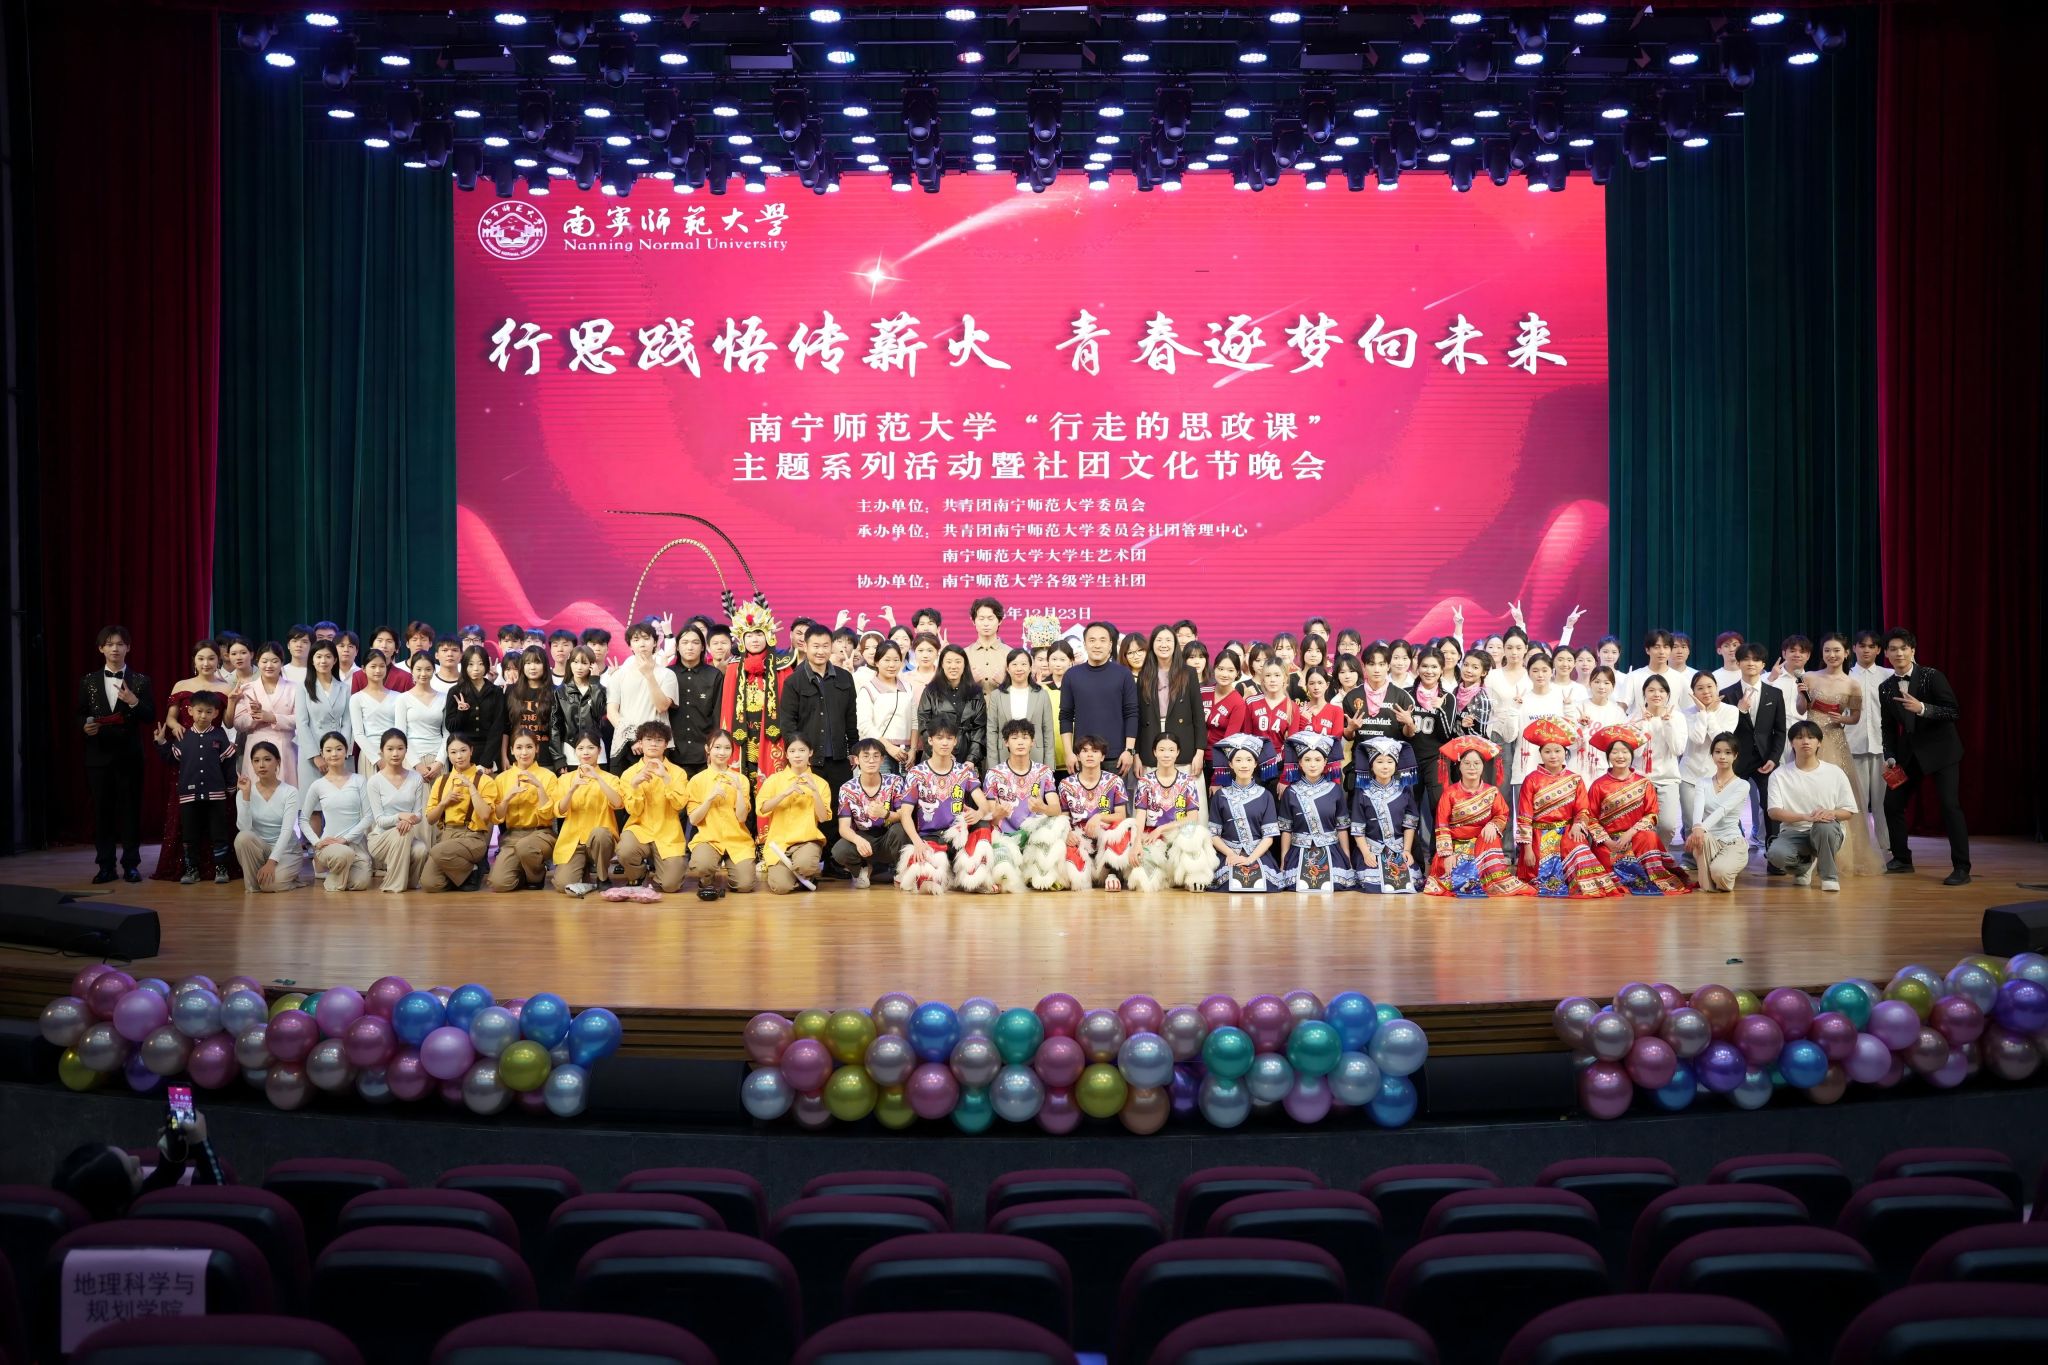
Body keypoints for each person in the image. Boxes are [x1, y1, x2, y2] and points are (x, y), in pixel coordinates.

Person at [1879, 628, 1970, 885]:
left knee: (1949, 806)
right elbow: (1887, 727)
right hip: (1909, 755)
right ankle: (1902, 859)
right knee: (1891, 804)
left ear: (1912, 650)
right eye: (1893, 649)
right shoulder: (1885, 687)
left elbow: (1953, 711)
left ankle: (1962, 868)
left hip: (1942, 751)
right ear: (1886, 653)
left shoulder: (1932, 676)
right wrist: (1890, 755)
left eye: (1903, 648)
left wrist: (1922, 708)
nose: (1898, 653)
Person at [1799, 633, 1882, 876]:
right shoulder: (1810, 677)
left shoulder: (1852, 684)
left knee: (1839, 794)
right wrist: (1802, 694)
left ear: (1846, 653)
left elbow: (1855, 717)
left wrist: (1842, 719)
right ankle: (1805, 853)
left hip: (1835, 741)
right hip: (1810, 740)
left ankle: (1840, 854)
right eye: (1827, 650)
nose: (1831, 655)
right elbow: (1801, 710)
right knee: (1808, 790)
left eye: (1836, 650)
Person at [1514, 717, 1620, 898]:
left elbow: (1583, 810)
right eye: (1547, 751)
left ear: (1565, 752)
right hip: (1539, 836)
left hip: (1568, 833)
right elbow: (1524, 816)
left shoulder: (1575, 779)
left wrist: (1578, 824)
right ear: (1541, 754)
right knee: (1537, 877)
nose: (1553, 756)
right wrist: (1528, 849)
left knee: (1578, 846)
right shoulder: (1531, 780)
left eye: (1557, 751)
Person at [149, 640, 228, 882]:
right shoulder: (181, 685)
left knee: (216, 817)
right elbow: (170, 718)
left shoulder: (227, 687)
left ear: (218, 661)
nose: (206, 663)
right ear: (194, 660)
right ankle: (189, 867)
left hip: (213, 753)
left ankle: (219, 867)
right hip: (187, 750)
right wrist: (175, 728)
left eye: (211, 658)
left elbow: (229, 722)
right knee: (186, 814)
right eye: (201, 658)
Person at [53, 1110, 223, 1221]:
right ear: (119, 1200)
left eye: (127, 1155)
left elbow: (162, 1180)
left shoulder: (110, 1208)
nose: (137, 1159)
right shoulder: (141, 1217)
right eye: (133, 1170)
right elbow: (221, 1202)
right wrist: (203, 1145)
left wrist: (172, 1151)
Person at [1586, 725, 1694, 895]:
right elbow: (1591, 818)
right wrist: (1608, 842)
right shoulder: (1598, 785)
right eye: (1615, 752)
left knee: (1650, 837)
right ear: (1608, 756)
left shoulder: (1644, 783)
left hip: (1636, 837)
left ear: (1631, 755)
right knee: (1604, 866)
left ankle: (1652, 877)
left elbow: (1651, 815)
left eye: (1625, 752)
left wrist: (1630, 833)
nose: (1620, 756)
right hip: (1609, 842)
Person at [1423, 737, 1532, 897]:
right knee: (1444, 883)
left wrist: (1493, 824)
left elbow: (1502, 814)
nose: (1472, 767)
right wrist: (1447, 854)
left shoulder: (1492, 792)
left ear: (1483, 766)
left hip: (1483, 845)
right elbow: (1442, 825)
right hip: (1455, 847)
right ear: (1459, 766)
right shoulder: (1450, 794)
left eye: (1476, 763)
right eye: (1467, 763)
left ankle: (1488, 879)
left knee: (1491, 837)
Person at [153, 690, 238, 884]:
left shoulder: (219, 734)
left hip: (216, 794)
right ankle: (192, 870)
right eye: (199, 711)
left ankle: (221, 868)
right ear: (190, 711)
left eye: (208, 712)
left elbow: (228, 762)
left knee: (219, 833)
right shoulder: (183, 736)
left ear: (216, 713)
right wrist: (161, 742)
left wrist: (231, 786)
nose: (203, 716)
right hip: (188, 795)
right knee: (190, 834)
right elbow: (171, 759)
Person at [1767, 720, 1861, 891]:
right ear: (1791, 743)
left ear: (1819, 742)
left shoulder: (1835, 772)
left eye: (1811, 737)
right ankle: (1804, 866)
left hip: (1827, 831)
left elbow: (1849, 811)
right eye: (1799, 737)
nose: (1805, 741)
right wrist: (1805, 817)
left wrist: (1830, 813)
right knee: (1776, 855)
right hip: (1793, 832)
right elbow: (1774, 812)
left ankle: (1829, 877)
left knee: (1823, 826)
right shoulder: (1779, 775)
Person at [780, 624, 860, 802]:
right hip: (808, 761)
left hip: (840, 759)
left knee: (839, 808)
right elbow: (788, 724)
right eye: (816, 646)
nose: (821, 651)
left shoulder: (845, 677)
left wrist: (854, 749)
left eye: (825, 646)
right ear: (805, 646)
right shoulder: (793, 682)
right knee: (809, 808)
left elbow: (851, 717)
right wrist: (798, 754)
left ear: (831, 647)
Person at [1721, 643, 1786, 859]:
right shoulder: (1726, 694)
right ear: (1738, 663)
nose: (1751, 663)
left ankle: (1774, 854)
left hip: (1766, 759)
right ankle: (1733, 848)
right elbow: (1725, 731)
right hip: (1736, 759)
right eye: (1746, 659)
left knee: (1770, 804)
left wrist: (1774, 758)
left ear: (1763, 664)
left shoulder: (1775, 693)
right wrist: (1739, 711)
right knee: (1729, 806)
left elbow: (1780, 730)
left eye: (1756, 659)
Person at [717, 602, 790, 791]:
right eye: (749, 635)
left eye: (759, 633)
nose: (754, 640)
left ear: (768, 636)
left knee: (771, 786)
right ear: (742, 640)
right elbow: (727, 707)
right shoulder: (733, 667)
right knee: (741, 784)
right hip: (743, 732)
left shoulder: (783, 666)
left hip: (772, 733)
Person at [614, 718, 691, 893]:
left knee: (670, 886)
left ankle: (660, 873)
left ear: (666, 745)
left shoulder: (678, 773)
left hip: (668, 832)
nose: (653, 744)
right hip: (639, 829)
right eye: (648, 739)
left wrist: (666, 778)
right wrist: (634, 785)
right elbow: (633, 810)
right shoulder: (629, 774)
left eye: (659, 740)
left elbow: (679, 805)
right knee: (625, 850)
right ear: (640, 743)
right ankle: (639, 874)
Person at [1277, 732, 1354, 893]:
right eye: (1307, 760)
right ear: (1300, 763)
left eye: (1318, 760)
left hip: (1331, 850)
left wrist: (1347, 857)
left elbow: (1341, 828)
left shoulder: (1335, 790)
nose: (1312, 765)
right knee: (1294, 884)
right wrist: (1284, 859)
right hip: (1299, 851)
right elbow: (1286, 830)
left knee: (1337, 883)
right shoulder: (1291, 792)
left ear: (1325, 762)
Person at [421, 734, 498, 892]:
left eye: (463, 750)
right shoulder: (441, 781)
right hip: (447, 836)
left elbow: (485, 816)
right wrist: (444, 802)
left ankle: (468, 870)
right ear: (448, 755)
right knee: (430, 883)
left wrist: (472, 789)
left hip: (473, 837)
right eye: (453, 752)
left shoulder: (485, 780)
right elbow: (430, 819)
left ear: (471, 751)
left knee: (437, 850)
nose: (459, 756)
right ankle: (468, 873)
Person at [686, 728, 758, 897]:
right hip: (708, 839)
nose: (722, 752)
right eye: (717, 747)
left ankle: (732, 875)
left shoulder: (741, 779)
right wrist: (709, 799)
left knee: (745, 885)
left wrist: (739, 791)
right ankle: (706, 879)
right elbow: (694, 820)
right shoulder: (697, 780)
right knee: (702, 865)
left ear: (732, 751)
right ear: (707, 749)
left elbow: (742, 817)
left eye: (727, 748)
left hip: (737, 839)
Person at [758, 734, 833, 894]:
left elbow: (823, 817)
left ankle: (803, 872)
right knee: (781, 888)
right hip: (779, 844)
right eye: (792, 751)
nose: (797, 755)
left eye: (802, 750)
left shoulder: (821, 783)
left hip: (807, 841)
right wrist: (784, 794)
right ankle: (800, 878)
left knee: (805, 865)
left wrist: (814, 791)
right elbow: (762, 809)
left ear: (810, 752)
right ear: (786, 754)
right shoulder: (774, 780)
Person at [550, 732, 623, 891]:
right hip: (574, 841)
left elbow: (618, 803)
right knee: (563, 885)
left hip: (600, 840)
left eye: (591, 748)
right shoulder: (565, 779)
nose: (586, 752)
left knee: (600, 833)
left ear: (599, 750)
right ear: (575, 752)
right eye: (581, 748)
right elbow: (559, 811)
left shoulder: (610, 778)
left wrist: (598, 778)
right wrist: (571, 790)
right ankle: (583, 870)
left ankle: (602, 877)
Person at [832, 738, 910, 888]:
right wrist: (857, 840)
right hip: (864, 837)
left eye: (876, 756)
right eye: (866, 756)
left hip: (888, 837)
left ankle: (900, 870)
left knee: (901, 829)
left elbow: (904, 815)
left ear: (882, 760)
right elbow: (844, 827)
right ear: (856, 760)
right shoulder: (847, 789)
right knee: (839, 850)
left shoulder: (895, 781)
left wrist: (885, 814)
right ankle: (862, 869)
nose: (871, 760)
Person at [1058, 734, 1133, 890]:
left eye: (1095, 751)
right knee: (1076, 878)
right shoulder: (1066, 784)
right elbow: (1063, 817)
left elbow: (1121, 816)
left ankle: (1112, 873)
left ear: (1102, 756)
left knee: (1121, 828)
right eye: (1085, 751)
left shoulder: (1115, 781)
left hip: (1105, 837)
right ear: (1078, 756)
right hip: (1079, 838)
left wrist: (1099, 817)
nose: (1090, 755)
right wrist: (1066, 833)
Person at [1208, 735, 1282, 892]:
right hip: (1228, 854)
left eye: (1249, 760)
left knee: (1265, 884)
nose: (1244, 765)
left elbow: (1269, 837)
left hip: (1257, 854)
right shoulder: (1220, 796)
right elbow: (1213, 835)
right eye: (1238, 760)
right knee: (1227, 884)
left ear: (1255, 763)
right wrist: (1230, 854)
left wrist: (1250, 859)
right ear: (1230, 764)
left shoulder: (1265, 795)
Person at [302, 732, 373, 891]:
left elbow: (368, 817)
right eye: (328, 750)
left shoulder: (359, 780)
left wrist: (346, 839)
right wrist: (317, 843)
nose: (334, 754)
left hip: (355, 844)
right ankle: (327, 867)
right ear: (322, 754)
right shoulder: (318, 785)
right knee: (343, 854)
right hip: (331, 845)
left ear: (346, 751)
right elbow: (303, 819)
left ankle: (338, 872)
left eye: (339, 749)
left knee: (360, 884)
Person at [488, 731, 558, 892]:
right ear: (511, 750)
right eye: (519, 747)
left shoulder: (548, 776)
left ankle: (536, 875)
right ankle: (523, 871)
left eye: (529, 747)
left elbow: (549, 815)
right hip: (513, 836)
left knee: (526, 847)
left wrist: (539, 786)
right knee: (499, 884)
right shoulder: (502, 778)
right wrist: (507, 798)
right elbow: (497, 818)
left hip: (541, 834)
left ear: (537, 748)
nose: (524, 752)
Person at [1348, 738, 1419, 896]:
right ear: (1371, 765)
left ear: (1396, 765)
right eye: (1379, 762)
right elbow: (1358, 828)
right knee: (1372, 883)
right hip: (1371, 849)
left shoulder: (1404, 789)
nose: (1385, 766)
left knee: (1410, 882)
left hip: (1398, 849)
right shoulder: (1362, 791)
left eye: (1389, 762)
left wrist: (1407, 850)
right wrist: (1366, 853)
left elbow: (1410, 824)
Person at [1847, 629, 1894, 862]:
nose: (1866, 650)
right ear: (1854, 648)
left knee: (1882, 803)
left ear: (1879, 650)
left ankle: (1887, 848)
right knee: (1858, 802)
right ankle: (1860, 848)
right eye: (1862, 645)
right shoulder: (1845, 676)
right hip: (1853, 746)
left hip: (1883, 748)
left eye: (1871, 646)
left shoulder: (1889, 675)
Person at [233, 742, 304, 892]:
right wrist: (246, 796)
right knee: (242, 837)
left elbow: (286, 830)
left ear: (277, 761)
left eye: (267, 759)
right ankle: (253, 886)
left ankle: (288, 880)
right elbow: (244, 828)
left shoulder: (290, 792)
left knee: (270, 885)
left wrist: (272, 862)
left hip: (287, 851)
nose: (261, 765)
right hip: (261, 850)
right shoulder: (244, 792)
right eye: (256, 760)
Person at [1686, 734, 1751, 892]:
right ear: (1712, 754)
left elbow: (1723, 810)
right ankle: (1711, 879)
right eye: (1718, 752)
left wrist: (1700, 829)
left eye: (1728, 752)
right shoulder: (1703, 782)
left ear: (1735, 755)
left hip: (1732, 842)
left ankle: (1723, 870)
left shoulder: (1742, 785)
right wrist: (1696, 827)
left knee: (1719, 872)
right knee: (1702, 839)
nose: (1722, 757)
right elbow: (1698, 807)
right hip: (1708, 841)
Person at [365, 728, 428, 893]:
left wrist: (408, 820)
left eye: (400, 748)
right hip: (380, 838)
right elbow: (379, 820)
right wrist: (401, 817)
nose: (395, 753)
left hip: (406, 833)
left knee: (421, 849)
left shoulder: (416, 778)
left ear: (406, 750)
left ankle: (409, 883)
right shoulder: (374, 781)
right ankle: (394, 884)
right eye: (390, 749)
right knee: (403, 832)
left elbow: (419, 814)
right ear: (382, 751)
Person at [1135, 627, 1202, 779]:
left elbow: (1198, 715)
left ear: (1175, 644)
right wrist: (1136, 754)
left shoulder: (1188, 673)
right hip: (1150, 740)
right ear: (1152, 644)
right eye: (1159, 640)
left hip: (1183, 741)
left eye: (1168, 640)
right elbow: (1138, 718)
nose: (1163, 644)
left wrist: (1199, 752)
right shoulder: (1144, 675)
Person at [1635, 675, 1688, 851]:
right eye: (1651, 690)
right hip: (1641, 780)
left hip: (1668, 779)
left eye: (1661, 690)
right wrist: (1644, 724)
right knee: (1642, 826)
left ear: (1667, 694)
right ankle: (1646, 857)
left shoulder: (1677, 717)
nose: (1656, 694)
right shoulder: (1635, 717)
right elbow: (1635, 753)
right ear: (1644, 694)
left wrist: (1667, 723)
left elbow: (1677, 749)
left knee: (1667, 825)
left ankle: (1661, 854)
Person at [915, 644, 987, 774]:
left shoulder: (976, 692)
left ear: (965, 665)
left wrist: (972, 759)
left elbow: (980, 729)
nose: (953, 666)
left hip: (967, 758)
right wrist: (938, 753)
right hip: (936, 757)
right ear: (942, 664)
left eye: (958, 662)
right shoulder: (931, 691)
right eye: (948, 662)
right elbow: (924, 725)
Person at [233, 641, 296, 786]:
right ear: (257, 662)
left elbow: (300, 720)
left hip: (285, 747)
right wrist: (254, 716)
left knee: (286, 792)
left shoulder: (294, 688)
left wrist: (272, 718)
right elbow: (238, 723)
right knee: (255, 791)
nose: (269, 665)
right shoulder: (247, 689)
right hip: (256, 747)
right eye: (264, 661)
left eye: (274, 661)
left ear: (282, 663)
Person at [294, 641, 353, 793]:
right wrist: (315, 755)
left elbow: (347, 723)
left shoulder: (344, 688)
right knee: (312, 801)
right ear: (312, 660)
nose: (323, 661)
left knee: (338, 797)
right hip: (312, 751)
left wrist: (341, 751)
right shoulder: (303, 687)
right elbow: (301, 723)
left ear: (335, 660)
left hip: (337, 752)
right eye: (318, 656)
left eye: (328, 656)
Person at [1130, 733, 1205, 853]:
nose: (1166, 754)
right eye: (1161, 750)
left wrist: (1161, 829)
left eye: (1171, 750)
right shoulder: (1145, 782)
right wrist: (1137, 842)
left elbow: (1192, 817)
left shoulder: (1187, 781)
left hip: (1180, 835)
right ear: (1155, 752)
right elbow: (1140, 816)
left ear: (1177, 752)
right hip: (1152, 835)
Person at [669, 626, 723, 777]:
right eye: (685, 642)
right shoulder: (667, 674)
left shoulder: (714, 675)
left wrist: (714, 748)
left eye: (695, 642)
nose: (690, 647)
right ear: (677, 647)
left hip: (704, 754)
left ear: (703, 647)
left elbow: (718, 715)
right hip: (672, 752)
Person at [444, 645, 508, 773]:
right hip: (462, 754)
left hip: (489, 753)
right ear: (464, 666)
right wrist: (461, 713)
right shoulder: (455, 691)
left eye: (480, 664)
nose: (476, 669)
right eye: (471, 664)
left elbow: (497, 728)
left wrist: (486, 761)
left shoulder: (496, 692)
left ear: (486, 665)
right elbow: (450, 726)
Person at [857, 640, 916, 773]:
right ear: (877, 662)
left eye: (896, 660)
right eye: (887, 660)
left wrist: (913, 749)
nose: (892, 665)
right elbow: (864, 725)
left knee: (905, 786)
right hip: (877, 751)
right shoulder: (868, 689)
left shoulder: (908, 687)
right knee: (883, 786)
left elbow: (914, 721)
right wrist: (889, 747)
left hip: (905, 753)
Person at [392, 653, 448, 785]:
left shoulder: (444, 698)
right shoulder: (402, 699)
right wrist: (416, 764)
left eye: (428, 669)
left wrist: (440, 762)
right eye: (418, 669)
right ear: (412, 671)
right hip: (411, 759)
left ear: (434, 670)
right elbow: (400, 735)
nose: (423, 674)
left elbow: (447, 733)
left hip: (438, 758)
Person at [552, 646, 608, 775]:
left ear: (592, 665)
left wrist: (595, 682)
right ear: (569, 663)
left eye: (584, 663)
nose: (579, 667)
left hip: (596, 749)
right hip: (570, 749)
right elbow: (555, 727)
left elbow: (598, 713)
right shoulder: (560, 692)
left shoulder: (600, 689)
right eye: (575, 662)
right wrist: (558, 758)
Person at [348, 650, 401, 777]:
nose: (378, 670)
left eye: (382, 666)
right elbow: (358, 734)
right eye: (373, 666)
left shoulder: (398, 697)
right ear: (363, 669)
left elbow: (401, 730)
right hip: (370, 756)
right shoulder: (356, 698)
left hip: (395, 754)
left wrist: (394, 752)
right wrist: (378, 760)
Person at [505, 647, 559, 769]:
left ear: (545, 665)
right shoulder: (511, 691)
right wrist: (504, 755)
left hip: (546, 758)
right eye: (528, 663)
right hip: (517, 757)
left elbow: (558, 730)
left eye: (537, 662)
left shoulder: (555, 692)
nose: (532, 667)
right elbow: (505, 727)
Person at [964, 596, 1009, 690]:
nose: (986, 623)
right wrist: (969, 682)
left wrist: (1005, 683)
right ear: (973, 621)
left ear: (1000, 621)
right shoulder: (964, 654)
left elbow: (1021, 690)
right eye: (981, 619)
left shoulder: (1010, 653)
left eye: (990, 618)